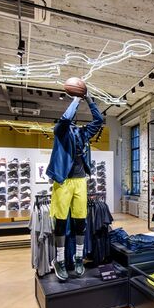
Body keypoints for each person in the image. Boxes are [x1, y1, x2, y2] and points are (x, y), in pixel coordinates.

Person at [46, 91, 104, 281]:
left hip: (80, 181)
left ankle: (78, 257)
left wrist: (89, 100)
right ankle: (59, 260)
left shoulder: (83, 133)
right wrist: (77, 99)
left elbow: (99, 120)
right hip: (63, 181)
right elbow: (65, 119)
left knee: (80, 222)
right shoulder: (60, 130)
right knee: (61, 222)